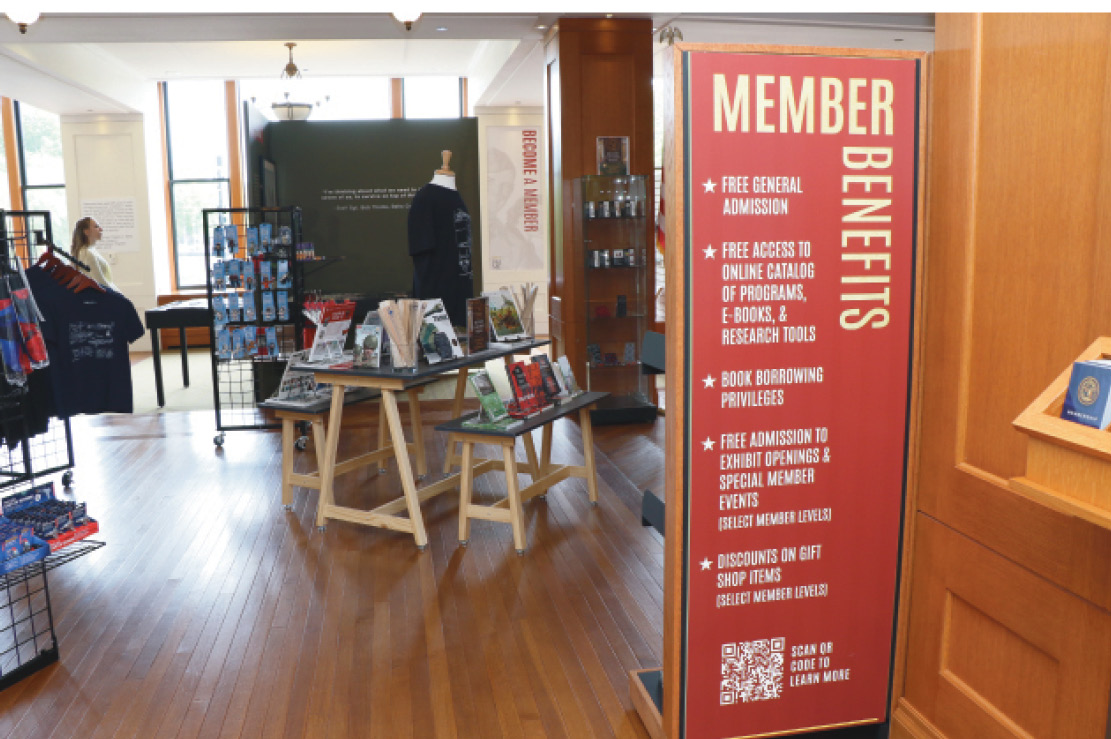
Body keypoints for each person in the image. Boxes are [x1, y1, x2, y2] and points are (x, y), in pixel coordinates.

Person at [70, 216, 116, 289]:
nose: (101, 229)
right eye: (96, 226)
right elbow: (101, 283)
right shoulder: (87, 253)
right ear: (86, 231)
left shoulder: (89, 251)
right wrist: (117, 294)